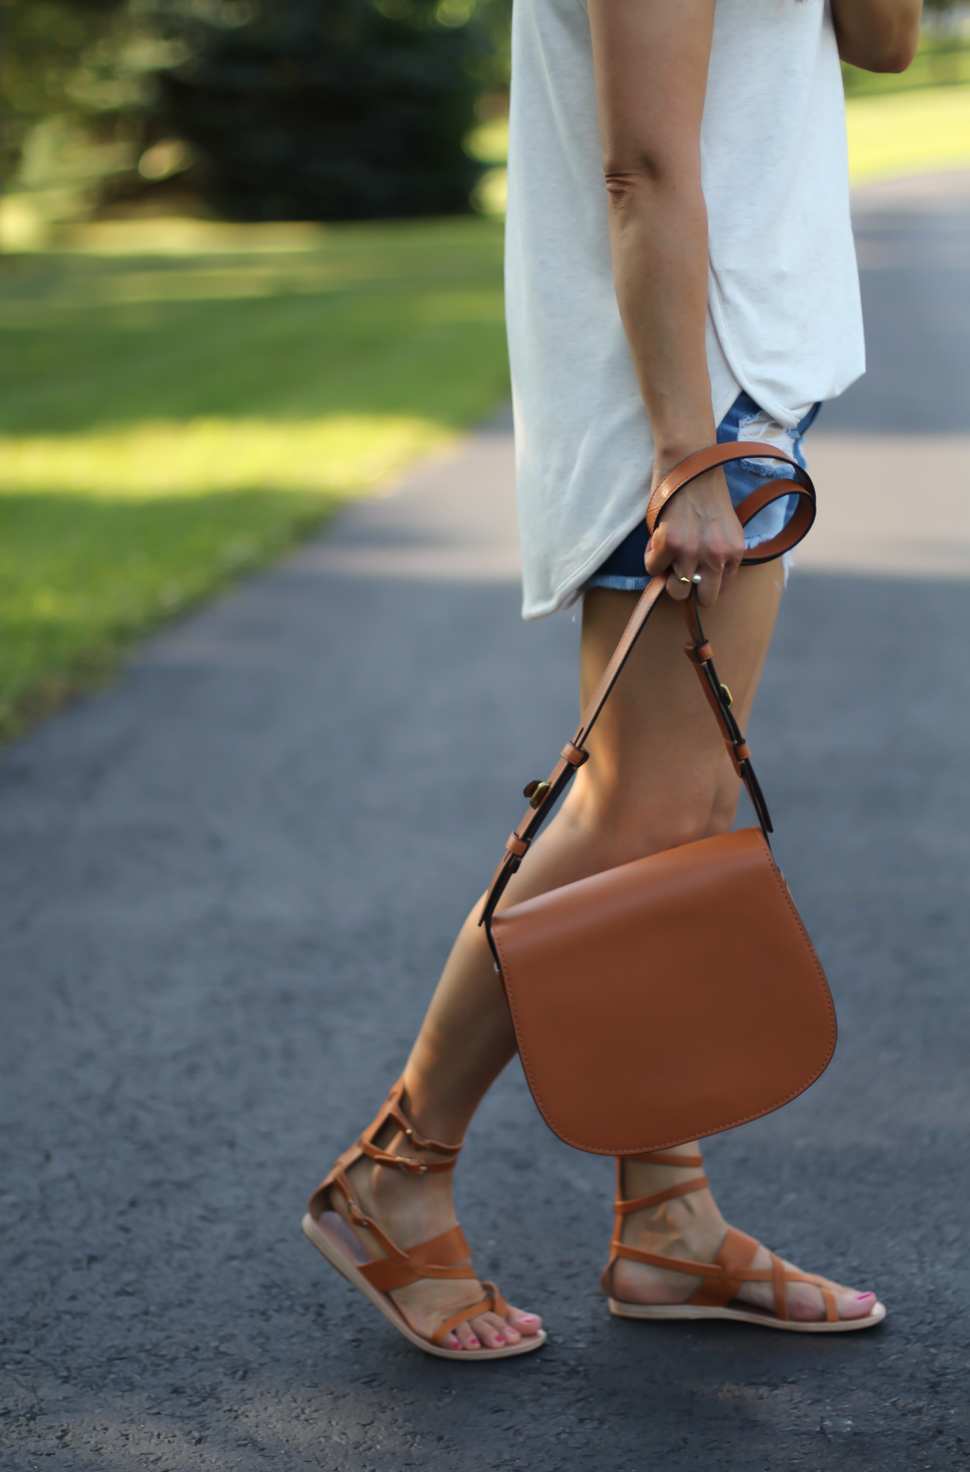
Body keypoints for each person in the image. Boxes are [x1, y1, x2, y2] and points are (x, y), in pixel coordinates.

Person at [303, 0, 922, 1358]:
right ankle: (393, 1174)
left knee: (672, 823)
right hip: (685, 394)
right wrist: (682, 445)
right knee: (638, 814)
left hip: (749, 370)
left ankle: (668, 1221)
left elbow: (885, 40)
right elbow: (636, 164)